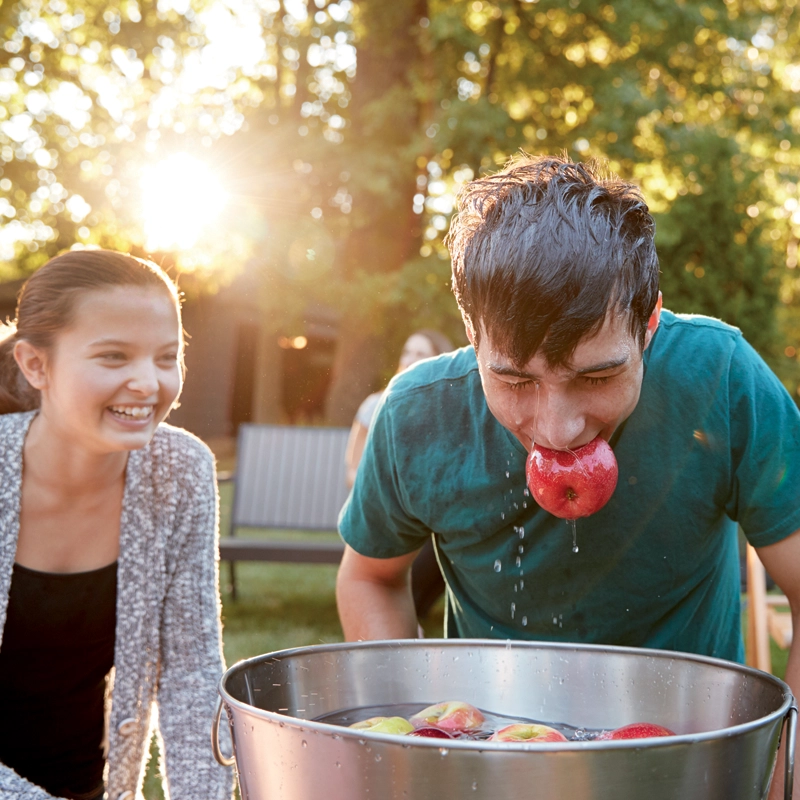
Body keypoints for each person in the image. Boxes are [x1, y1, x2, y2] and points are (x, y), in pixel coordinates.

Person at [335, 155, 800, 795]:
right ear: (473, 338)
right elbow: (369, 578)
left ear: (649, 325)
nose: (556, 429)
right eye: (515, 379)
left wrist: (781, 781)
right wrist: (428, 745)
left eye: (598, 376)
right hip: (490, 766)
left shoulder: (722, 379)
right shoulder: (416, 415)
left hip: (684, 763)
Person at [0, 250, 232, 800]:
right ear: (36, 365)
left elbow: (191, 675)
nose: (148, 383)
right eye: (113, 357)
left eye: (166, 357)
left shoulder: (180, 471)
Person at [345, 329, 454, 619]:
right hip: (385, 508)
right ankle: (405, 618)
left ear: (438, 360)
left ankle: (411, 616)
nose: (410, 359)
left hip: (432, 514)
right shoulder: (376, 404)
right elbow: (351, 471)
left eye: (421, 353)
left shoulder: (449, 411)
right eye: (407, 351)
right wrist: (395, 491)